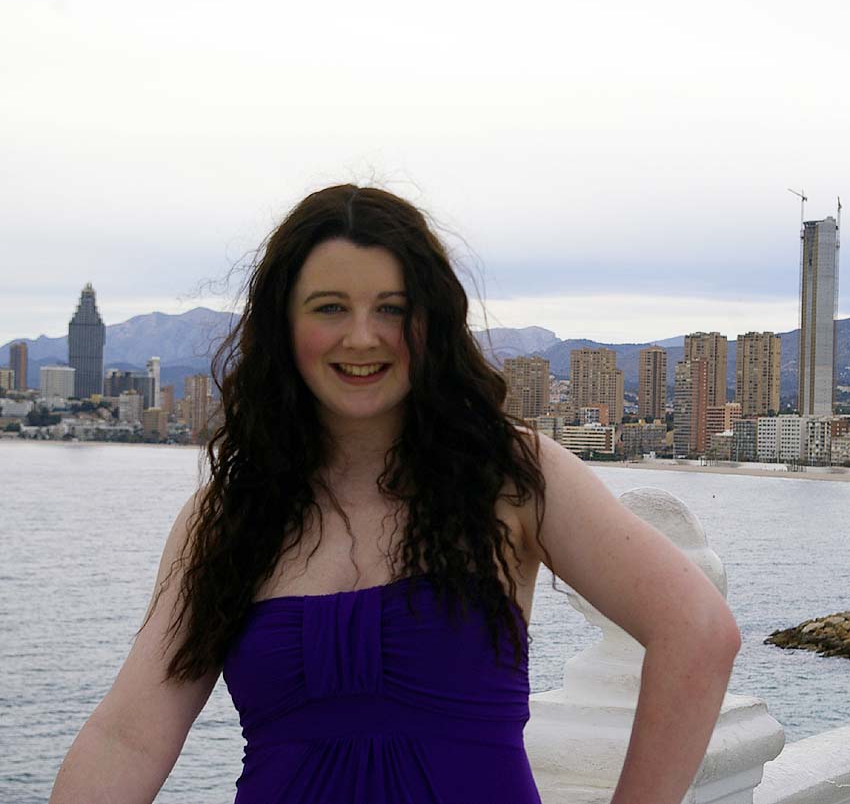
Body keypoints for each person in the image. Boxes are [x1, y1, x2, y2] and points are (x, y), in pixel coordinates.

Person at [50, 185, 740, 804]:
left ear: (431, 323)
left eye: (392, 309)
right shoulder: (227, 516)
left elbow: (698, 633)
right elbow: (129, 737)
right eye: (330, 308)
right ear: (284, 326)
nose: (362, 336)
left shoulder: (508, 476)